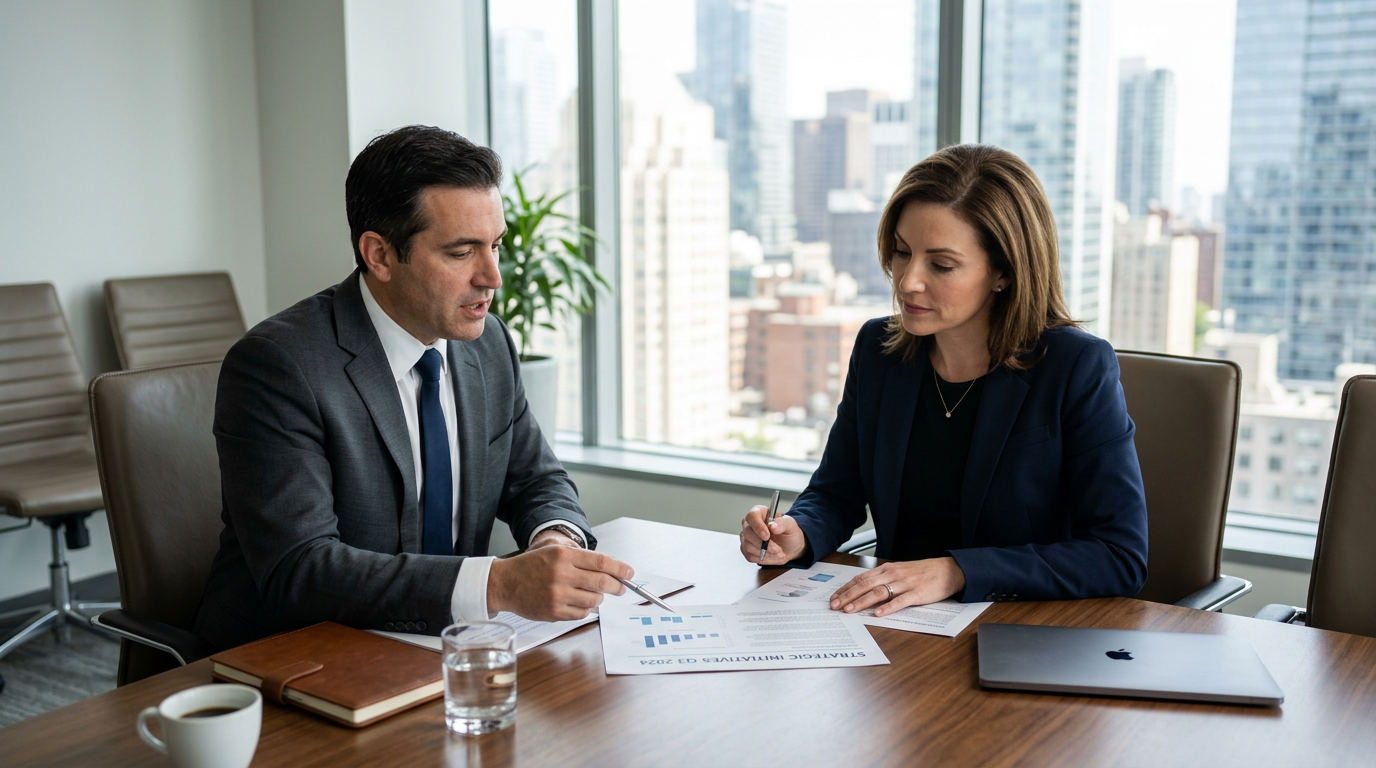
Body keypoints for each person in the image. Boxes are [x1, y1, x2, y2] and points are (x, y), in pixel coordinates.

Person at [194, 125, 632, 650]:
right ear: (379, 255)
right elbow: (301, 570)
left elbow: (536, 479)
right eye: (462, 253)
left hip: (444, 649)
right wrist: (499, 584)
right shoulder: (279, 366)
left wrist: (553, 540)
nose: (493, 277)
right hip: (297, 658)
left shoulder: (488, 343)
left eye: (495, 246)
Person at [739, 144, 1149, 617]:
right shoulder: (878, 350)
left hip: (1021, 628)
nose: (907, 281)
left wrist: (957, 571)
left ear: (1002, 272)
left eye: (941, 264)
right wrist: (798, 532)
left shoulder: (1075, 366)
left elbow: (1119, 555)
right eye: (901, 252)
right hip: (897, 628)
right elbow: (836, 492)